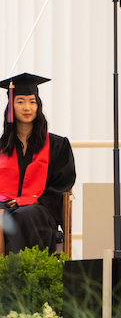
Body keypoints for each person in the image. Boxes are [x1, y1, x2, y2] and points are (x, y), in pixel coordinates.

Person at [0, 73, 76, 255]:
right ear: (11, 107)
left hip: (40, 209)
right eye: (20, 101)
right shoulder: (1, 147)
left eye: (32, 102)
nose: (27, 108)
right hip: (5, 207)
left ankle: (20, 276)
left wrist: (32, 200)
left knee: (24, 216)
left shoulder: (58, 145)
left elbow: (63, 183)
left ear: (38, 106)